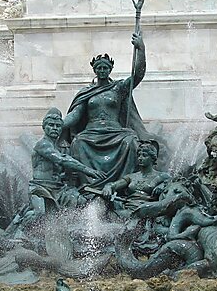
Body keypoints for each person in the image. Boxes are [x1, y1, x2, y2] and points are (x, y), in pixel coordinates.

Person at [62, 30, 155, 186]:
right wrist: (61, 124)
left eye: (105, 68)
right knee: (78, 142)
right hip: (92, 132)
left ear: (110, 69)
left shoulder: (118, 88)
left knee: (131, 140)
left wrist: (141, 49)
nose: (102, 71)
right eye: (99, 68)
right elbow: (75, 115)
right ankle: (88, 186)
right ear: (95, 70)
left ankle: (126, 185)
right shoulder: (86, 92)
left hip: (116, 132)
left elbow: (138, 75)